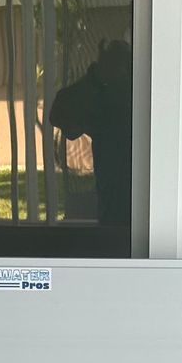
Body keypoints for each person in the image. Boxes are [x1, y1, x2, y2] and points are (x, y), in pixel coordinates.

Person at [49, 40, 134, 229]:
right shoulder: (103, 95)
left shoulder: (136, 95)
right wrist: (96, 78)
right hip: (113, 203)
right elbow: (60, 114)